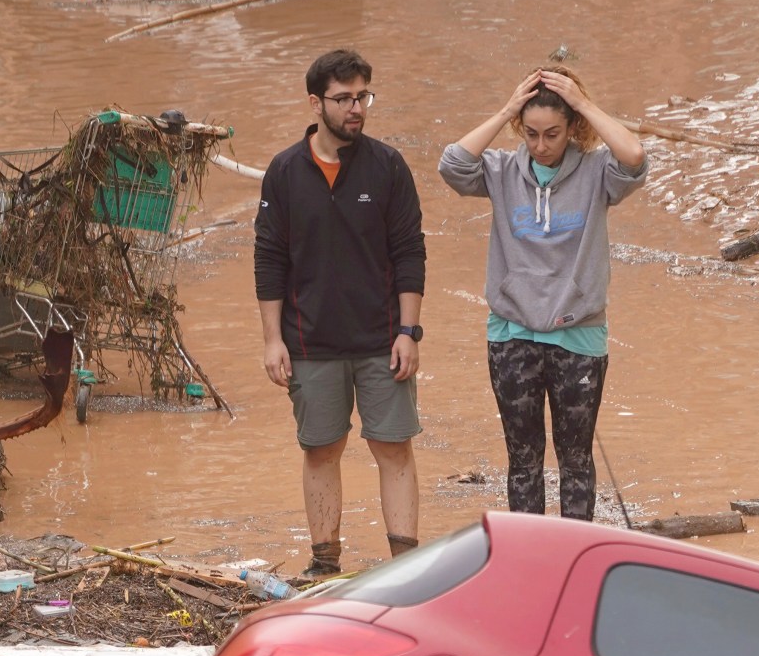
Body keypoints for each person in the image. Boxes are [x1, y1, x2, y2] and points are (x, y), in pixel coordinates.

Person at [439, 68, 646, 521]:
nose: (541, 145)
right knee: (523, 461)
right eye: (530, 134)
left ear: (572, 128)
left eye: (552, 133)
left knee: (576, 462)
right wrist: (507, 109)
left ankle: (574, 561)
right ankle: (529, 561)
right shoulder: (499, 171)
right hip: (512, 336)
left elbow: (634, 157)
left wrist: (586, 103)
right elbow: (452, 164)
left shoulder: (597, 172)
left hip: (579, 338)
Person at [255, 47, 426, 577]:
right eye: (345, 98)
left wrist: (409, 331)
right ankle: (324, 565)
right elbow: (269, 259)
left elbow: (409, 252)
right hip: (309, 343)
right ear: (316, 103)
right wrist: (271, 340)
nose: (357, 108)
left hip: (381, 340)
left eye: (363, 96)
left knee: (392, 447)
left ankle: (405, 567)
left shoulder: (388, 166)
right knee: (321, 450)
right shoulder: (284, 172)